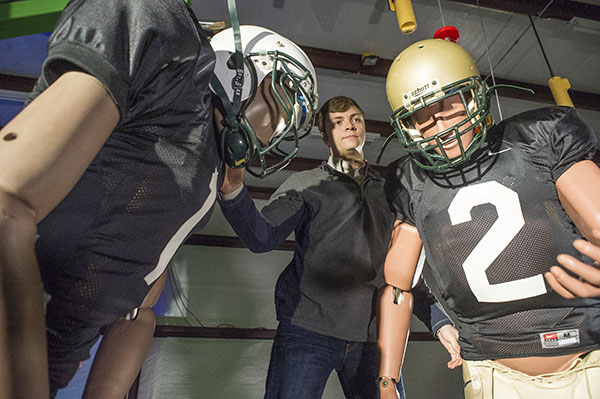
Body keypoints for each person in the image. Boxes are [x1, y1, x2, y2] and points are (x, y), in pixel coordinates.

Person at [0, 0, 318, 397]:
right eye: (280, 103)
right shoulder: (175, 59)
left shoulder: (202, 171)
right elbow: (7, 199)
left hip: (50, 359)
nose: (276, 131)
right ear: (239, 71)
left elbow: (139, 306)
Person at [377, 36, 600, 399]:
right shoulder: (410, 181)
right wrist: (388, 377)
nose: (438, 124)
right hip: (493, 373)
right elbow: (397, 288)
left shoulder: (539, 137)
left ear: (473, 95)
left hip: (587, 359)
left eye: (447, 104)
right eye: (422, 116)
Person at [219, 95, 460, 398]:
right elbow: (261, 237)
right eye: (338, 121)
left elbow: (404, 270)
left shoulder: (389, 193)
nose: (350, 126)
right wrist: (233, 190)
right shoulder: (307, 184)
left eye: (356, 119)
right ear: (325, 136)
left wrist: (439, 322)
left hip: (372, 339)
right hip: (307, 331)